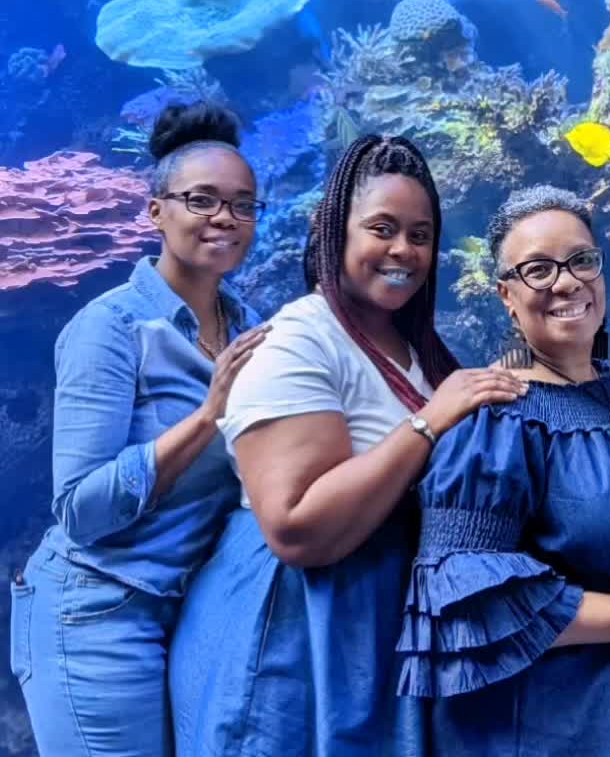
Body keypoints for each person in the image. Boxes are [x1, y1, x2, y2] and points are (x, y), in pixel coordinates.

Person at [168, 134, 528, 756]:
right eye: (382, 229)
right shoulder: (297, 342)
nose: (404, 250)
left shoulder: (416, 351)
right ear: (333, 230)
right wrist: (427, 424)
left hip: (372, 636)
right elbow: (296, 529)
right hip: (295, 637)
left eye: (420, 235)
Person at [398, 185, 610, 757]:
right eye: (537, 269)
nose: (567, 281)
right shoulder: (496, 418)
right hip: (550, 723)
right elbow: (456, 588)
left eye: (581, 260)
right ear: (506, 296)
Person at [9, 101, 270, 757]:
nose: (225, 218)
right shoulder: (111, 328)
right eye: (202, 200)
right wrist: (208, 416)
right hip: (95, 614)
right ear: (156, 211)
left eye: (243, 205)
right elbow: (80, 510)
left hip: (189, 614)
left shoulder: (249, 326)